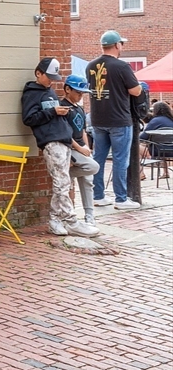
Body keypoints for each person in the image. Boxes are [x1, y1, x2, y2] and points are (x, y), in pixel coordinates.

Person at [21, 58, 99, 237]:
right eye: (48, 76)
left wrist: (59, 113)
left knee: (62, 183)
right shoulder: (31, 93)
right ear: (38, 73)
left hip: (63, 140)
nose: (51, 80)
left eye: (53, 77)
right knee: (62, 183)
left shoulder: (49, 91)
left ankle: (55, 220)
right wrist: (53, 112)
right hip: (51, 141)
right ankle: (71, 221)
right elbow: (29, 119)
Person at [86, 30, 143, 209]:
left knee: (99, 158)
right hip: (119, 119)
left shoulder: (90, 66)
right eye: (121, 44)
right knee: (120, 159)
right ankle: (121, 199)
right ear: (117, 45)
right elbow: (136, 91)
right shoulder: (122, 66)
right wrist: (139, 85)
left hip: (97, 119)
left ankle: (98, 196)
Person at [61, 75, 100, 225]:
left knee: (88, 180)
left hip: (81, 148)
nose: (80, 95)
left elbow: (82, 131)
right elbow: (64, 132)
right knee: (92, 167)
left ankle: (89, 215)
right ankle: (65, 174)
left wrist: (87, 147)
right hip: (70, 148)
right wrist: (78, 148)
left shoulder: (80, 109)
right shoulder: (63, 107)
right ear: (67, 89)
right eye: (78, 92)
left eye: (82, 93)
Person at [141, 102, 173, 178]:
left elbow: (142, 137)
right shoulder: (171, 120)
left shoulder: (155, 121)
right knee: (163, 144)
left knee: (136, 146)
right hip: (171, 149)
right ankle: (165, 173)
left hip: (157, 151)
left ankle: (141, 173)